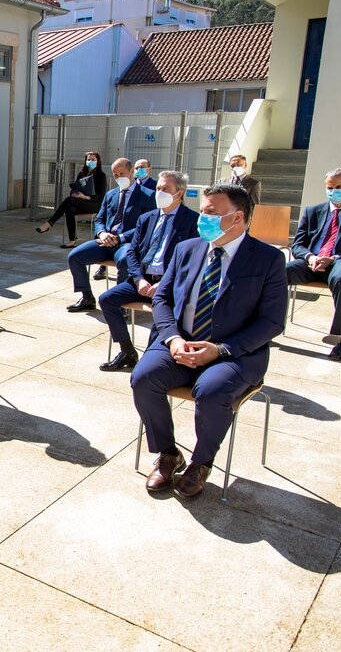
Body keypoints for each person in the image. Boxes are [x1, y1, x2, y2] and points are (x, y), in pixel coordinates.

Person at [131, 183, 287, 498]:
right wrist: (172, 338)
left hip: (234, 354)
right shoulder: (187, 249)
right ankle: (168, 454)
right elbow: (162, 299)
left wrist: (219, 350)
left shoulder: (267, 259)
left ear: (238, 217)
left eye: (212, 212)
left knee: (212, 390)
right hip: (180, 343)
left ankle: (200, 463)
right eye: (202, 210)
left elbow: (271, 322)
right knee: (143, 378)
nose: (203, 218)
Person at [98, 171, 199, 371]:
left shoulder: (192, 221)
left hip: (168, 285)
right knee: (107, 299)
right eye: (158, 188)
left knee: (164, 315)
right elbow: (133, 253)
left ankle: (150, 362)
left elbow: (191, 260)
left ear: (179, 193)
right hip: (142, 281)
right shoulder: (146, 218)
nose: (159, 192)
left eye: (165, 189)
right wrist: (138, 279)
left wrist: (164, 283)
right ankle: (127, 350)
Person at [286, 168, 341, 361]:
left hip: (340, 262)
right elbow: (297, 244)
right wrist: (310, 257)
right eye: (329, 187)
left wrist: (334, 258)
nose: (333, 191)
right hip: (311, 263)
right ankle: (267, 327)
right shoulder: (312, 211)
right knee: (278, 273)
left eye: (339, 187)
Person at [66, 158, 156, 312]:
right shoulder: (111, 194)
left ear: (131, 172)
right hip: (105, 241)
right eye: (115, 175)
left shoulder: (148, 196)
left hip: (127, 242)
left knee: (126, 260)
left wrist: (120, 238)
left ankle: (119, 303)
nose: (119, 177)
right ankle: (87, 297)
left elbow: (145, 226)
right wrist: (101, 233)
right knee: (75, 256)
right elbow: (100, 218)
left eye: (122, 173)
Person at [35, 151, 108, 247]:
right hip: (80, 203)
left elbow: (101, 197)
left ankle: (50, 223)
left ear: (98, 161)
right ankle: (72, 240)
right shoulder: (82, 174)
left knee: (69, 200)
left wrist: (85, 197)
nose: (90, 161)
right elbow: (76, 188)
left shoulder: (101, 176)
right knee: (69, 208)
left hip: (94, 205)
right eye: (88, 159)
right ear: (85, 161)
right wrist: (74, 193)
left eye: (93, 159)